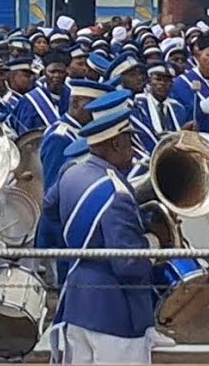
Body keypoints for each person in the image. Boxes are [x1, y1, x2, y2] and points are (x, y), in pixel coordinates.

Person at [43, 109, 158, 365]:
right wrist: (155, 241)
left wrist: (86, 236)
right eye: (129, 140)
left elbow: (49, 208)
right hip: (116, 312)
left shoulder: (70, 172)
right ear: (115, 143)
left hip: (76, 302)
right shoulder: (117, 193)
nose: (133, 148)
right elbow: (128, 264)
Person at [131, 62, 190, 153]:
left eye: (167, 80)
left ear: (172, 84)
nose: (162, 83)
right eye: (158, 79)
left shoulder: (178, 108)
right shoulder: (139, 104)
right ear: (149, 82)